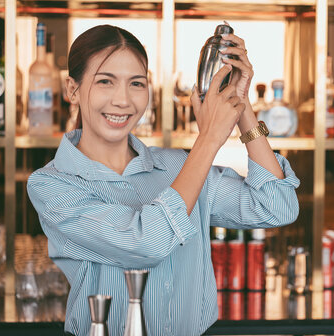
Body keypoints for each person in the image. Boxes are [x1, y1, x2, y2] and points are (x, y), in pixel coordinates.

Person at [27, 24, 300, 336]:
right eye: (105, 82)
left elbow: (277, 207)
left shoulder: (179, 165)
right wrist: (208, 139)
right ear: (71, 90)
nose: (123, 100)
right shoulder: (52, 185)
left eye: (136, 84)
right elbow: (147, 242)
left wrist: (241, 106)